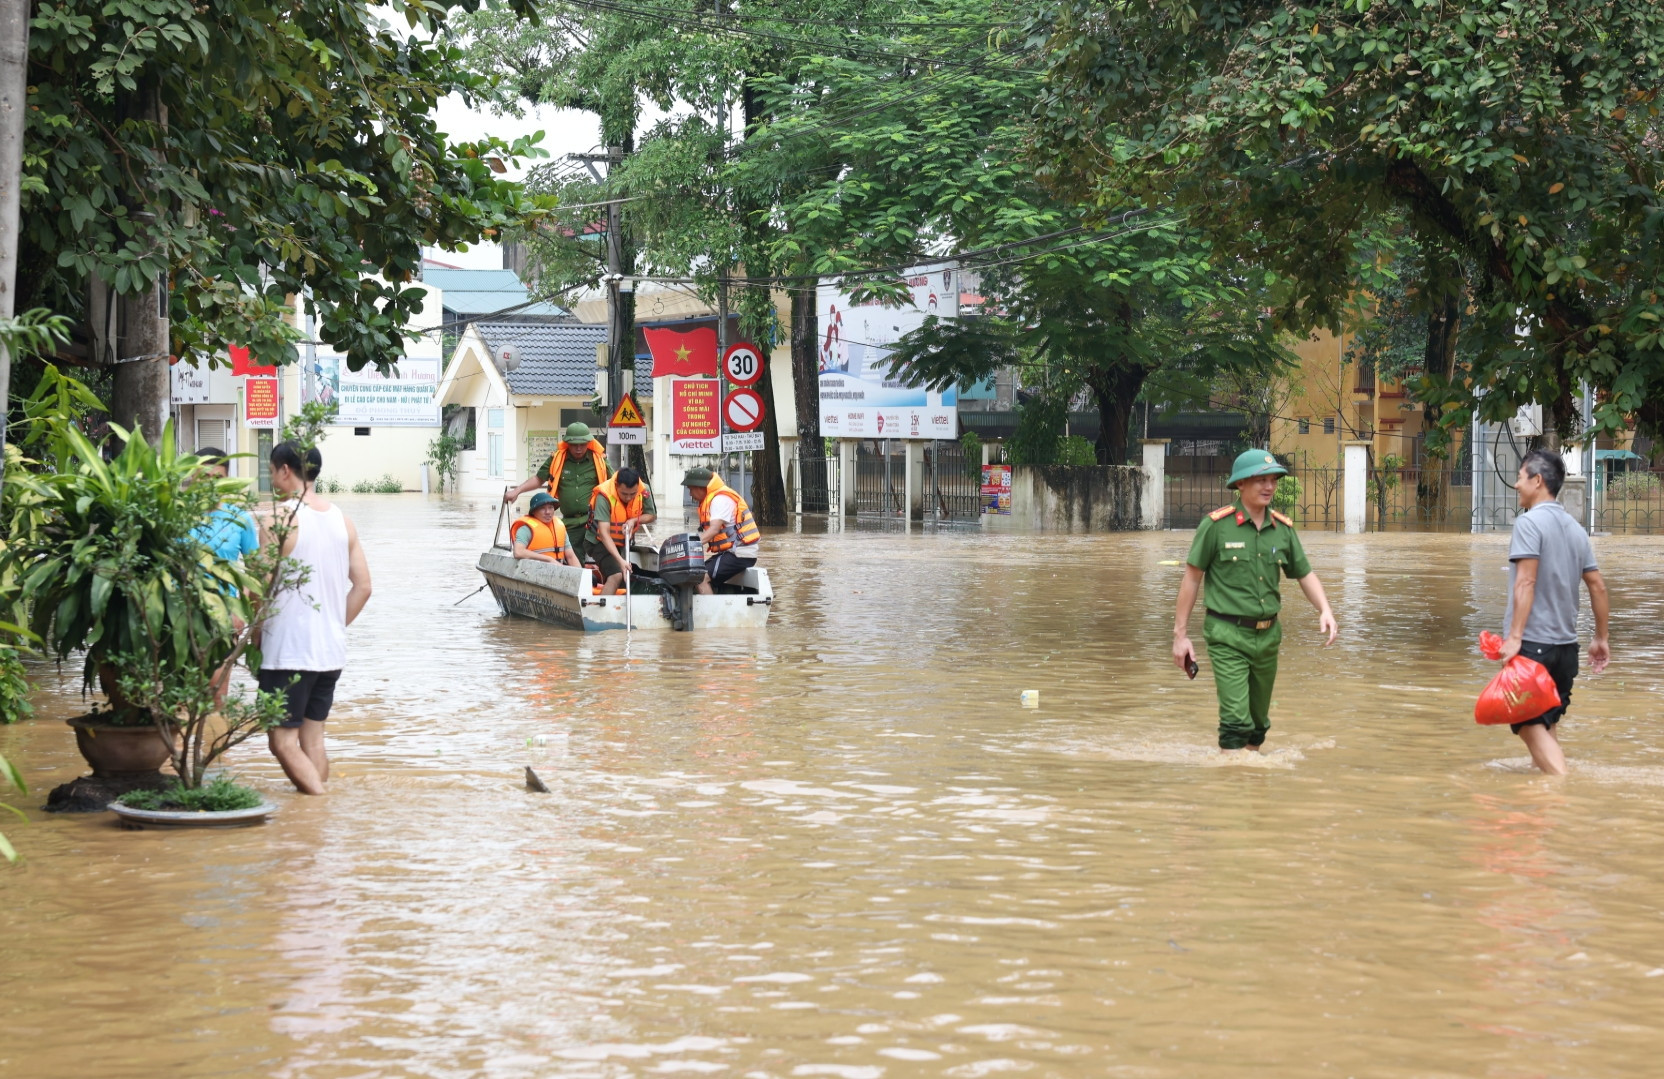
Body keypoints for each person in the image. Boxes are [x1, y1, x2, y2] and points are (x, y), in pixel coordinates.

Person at [1172, 449, 1338, 753]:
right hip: (1227, 635)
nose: (1269, 487)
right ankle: (1232, 784)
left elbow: (1304, 574)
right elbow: (1192, 579)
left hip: (1268, 636)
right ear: (1240, 484)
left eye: (1273, 480)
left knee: (1258, 727)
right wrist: (1180, 637)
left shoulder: (1282, 529)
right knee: (1236, 723)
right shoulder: (1216, 526)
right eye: (1260, 480)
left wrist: (1325, 609)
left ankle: (1248, 789)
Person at [256, 441, 372, 795]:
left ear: (285, 470)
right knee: (313, 740)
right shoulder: (343, 521)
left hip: (289, 650)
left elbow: (256, 589)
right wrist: (334, 625)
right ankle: (314, 830)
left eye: (272, 470)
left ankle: (319, 805)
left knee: (281, 742)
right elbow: (363, 587)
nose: (272, 476)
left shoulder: (277, 519)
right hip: (330, 651)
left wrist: (249, 633)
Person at [1497, 448, 1611, 775]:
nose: (1516, 485)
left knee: (1526, 722)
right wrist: (1601, 638)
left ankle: (1564, 790)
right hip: (1566, 650)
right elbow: (1598, 587)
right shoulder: (1576, 530)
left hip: (1534, 646)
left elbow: (1526, 582)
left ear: (1537, 480)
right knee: (1546, 724)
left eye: (1520, 478)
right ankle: (1547, 811)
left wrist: (1515, 639)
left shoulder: (1529, 524)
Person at [189, 447, 259, 707]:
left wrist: (242, 612)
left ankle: (216, 744)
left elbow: (256, 573)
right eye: (203, 478)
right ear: (192, 478)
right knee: (182, 697)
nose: (209, 485)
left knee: (217, 693)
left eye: (217, 479)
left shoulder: (239, 519)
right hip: (180, 614)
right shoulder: (176, 515)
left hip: (224, 618)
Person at [501, 421, 610, 561]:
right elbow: (539, 479)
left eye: (582, 444)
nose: (578, 448)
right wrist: (517, 491)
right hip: (570, 524)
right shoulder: (557, 459)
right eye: (574, 445)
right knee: (572, 559)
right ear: (567, 443)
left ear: (589, 442)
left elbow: (615, 484)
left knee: (605, 558)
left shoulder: (599, 460)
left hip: (594, 521)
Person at [681, 467, 760, 594]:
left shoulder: (719, 500)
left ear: (701, 487)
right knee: (697, 572)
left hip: (739, 554)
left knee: (700, 578)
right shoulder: (714, 498)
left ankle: (711, 613)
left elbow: (714, 530)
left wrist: (690, 545)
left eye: (691, 489)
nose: (690, 494)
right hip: (731, 553)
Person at [588, 466, 656, 594]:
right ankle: (603, 612)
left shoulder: (644, 490)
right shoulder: (604, 495)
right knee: (617, 575)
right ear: (616, 485)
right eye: (624, 494)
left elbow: (651, 515)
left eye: (632, 494)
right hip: (598, 542)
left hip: (622, 542)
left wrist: (634, 520)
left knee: (625, 578)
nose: (629, 498)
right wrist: (621, 561)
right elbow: (603, 533)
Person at [510, 491, 581, 567]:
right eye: (542, 508)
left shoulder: (560, 527)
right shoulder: (526, 529)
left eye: (550, 507)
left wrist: (581, 575)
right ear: (533, 511)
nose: (548, 512)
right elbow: (518, 552)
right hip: (533, 572)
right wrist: (549, 559)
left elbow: (571, 557)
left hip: (559, 571)